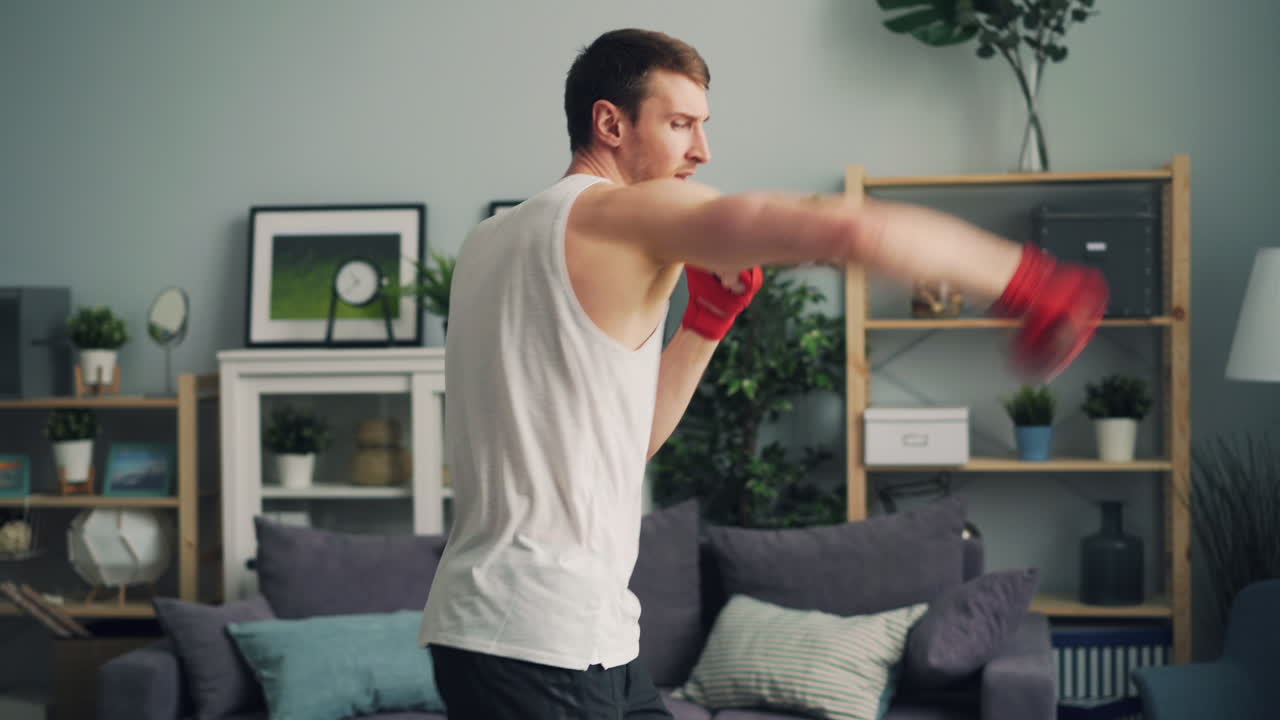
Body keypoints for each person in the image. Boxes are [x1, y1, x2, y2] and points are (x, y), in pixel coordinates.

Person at [419, 28, 1107, 719]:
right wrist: (1028, 281)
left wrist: (706, 323)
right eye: (680, 124)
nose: (702, 150)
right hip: (539, 638)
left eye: (703, 125)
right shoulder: (623, 215)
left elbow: (626, 443)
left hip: (560, 633)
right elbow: (844, 228)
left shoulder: (491, 240)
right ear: (611, 124)